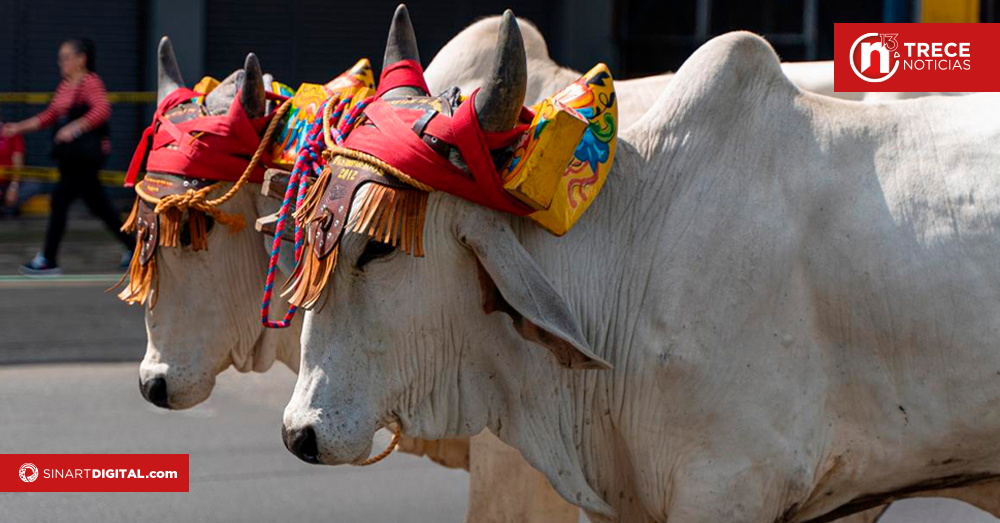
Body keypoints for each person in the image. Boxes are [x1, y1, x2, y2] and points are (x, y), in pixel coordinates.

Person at [2, 38, 134, 276]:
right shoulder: (65, 86)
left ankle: (48, 259)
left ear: (81, 59)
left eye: (66, 57)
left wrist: (76, 127)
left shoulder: (90, 82)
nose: (60, 62)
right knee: (100, 206)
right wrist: (17, 128)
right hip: (71, 159)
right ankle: (135, 248)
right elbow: (49, 115)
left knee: (61, 201)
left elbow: (103, 109)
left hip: (83, 159)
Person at [0, 104, 27, 216]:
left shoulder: (11, 131)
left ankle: (7, 208)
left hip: (9, 182)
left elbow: (18, 162)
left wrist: (13, 187)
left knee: (34, 185)